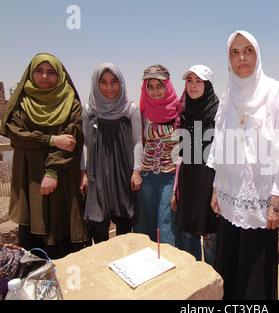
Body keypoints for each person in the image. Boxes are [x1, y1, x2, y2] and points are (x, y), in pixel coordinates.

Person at [207, 31, 279, 300]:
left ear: (257, 54)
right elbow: (221, 145)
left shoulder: (275, 92)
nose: (242, 58)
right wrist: (217, 189)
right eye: (234, 52)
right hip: (230, 199)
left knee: (255, 276)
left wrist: (275, 201)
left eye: (248, 50)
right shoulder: (227, 96)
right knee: (230, 268)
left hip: (261, 204)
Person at [0, 53, 88, 259]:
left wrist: (52, 172)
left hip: (63, 174)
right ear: (31, 74)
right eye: (39, 71)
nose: (45, 77)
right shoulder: (21, 102)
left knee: (62, 222)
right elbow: (16, 135)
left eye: (51, 72)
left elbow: (71, 138)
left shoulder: (70, 101)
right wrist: (50, 140)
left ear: (59, 75)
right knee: (33, 224)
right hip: (30, 174)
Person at [80, 63, 142, 244]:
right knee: (98, 225)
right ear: (96, 84)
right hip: (96, 174)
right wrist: (83, 174)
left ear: (120, 83)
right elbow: (84, 145)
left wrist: (136, 171)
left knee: (124, 225)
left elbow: (138, 141)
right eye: (103, 82)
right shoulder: (88, 110)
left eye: (114, 81)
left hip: (123, 174)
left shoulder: (130, 109)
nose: (109, 87)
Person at [171, 65, 220, 266]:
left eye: (198, 81)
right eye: (189, 81)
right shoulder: (184, 114)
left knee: (211, 238)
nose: (193, 85)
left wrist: (219, 191)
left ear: (207, 85)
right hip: (189, 184)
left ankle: (214, 283)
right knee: (189, 236)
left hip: (211, 185)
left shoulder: (219, 114)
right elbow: (181, 157)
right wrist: (176, 191)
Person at [134, 65, 183, 247]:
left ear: (167, 86)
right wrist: (137, 172)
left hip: (170, 178)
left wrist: (179, 185)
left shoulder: (179, 112)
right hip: (148, 177)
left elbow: (186, 152)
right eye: (151, 86)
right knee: (144, 225)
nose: (155, 91)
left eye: (159, 85)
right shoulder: (144, 111)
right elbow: (140, 142)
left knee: (166, 226)